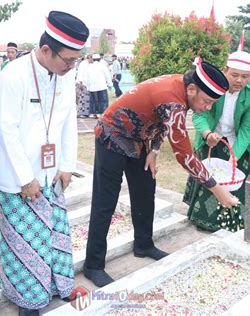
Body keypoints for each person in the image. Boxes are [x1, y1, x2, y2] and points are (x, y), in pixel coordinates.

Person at [83, 60, 240, 288]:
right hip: (112, 135)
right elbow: (184, 154)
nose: (207, 108)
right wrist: (218, 190)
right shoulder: (171, 96)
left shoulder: (183, 88)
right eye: (207, 102)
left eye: (212, 103)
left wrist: (154, 150)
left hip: (139, 139)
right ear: (192, 90)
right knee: (105, 201)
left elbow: (160, 120)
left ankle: (143, 244)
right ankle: (93, 265)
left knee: (145, 191)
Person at [0, 11, 89, 316]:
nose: (72, 66)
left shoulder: (65, 74)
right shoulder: (14, 74)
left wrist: (67, 165)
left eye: (76, 60)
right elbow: (5, 129)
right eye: (68, 60)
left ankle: (57, 284)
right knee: (23, 243)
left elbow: (68, 122)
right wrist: (25, 177)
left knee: (54, 236)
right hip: (19, 177)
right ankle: (26, 299)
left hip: (51, 174)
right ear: (46, 50)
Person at [183, 51, 250, 231]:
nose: (239, 81)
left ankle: (232, 221)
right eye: (234, 75)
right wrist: (207, 134)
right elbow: (199, 114)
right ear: (225, 70)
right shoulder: (213, 86)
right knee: (208, 177)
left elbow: (247, 129)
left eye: (245, 76)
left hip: (236, 143)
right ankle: (203, 220)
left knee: (233, 181)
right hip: (211, 139)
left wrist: (235, 154)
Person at [86, 53, 112, 118]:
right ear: (100, 59)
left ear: (93, 59)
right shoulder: (103, 66)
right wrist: (110, 84)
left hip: (92, 87)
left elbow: (87, 78)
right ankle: (102, 113)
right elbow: (107, 76)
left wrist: (88, 87)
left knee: (93, 101)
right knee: (103, 101)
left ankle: (93, 113)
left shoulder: (89, 67)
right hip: (102, 86)